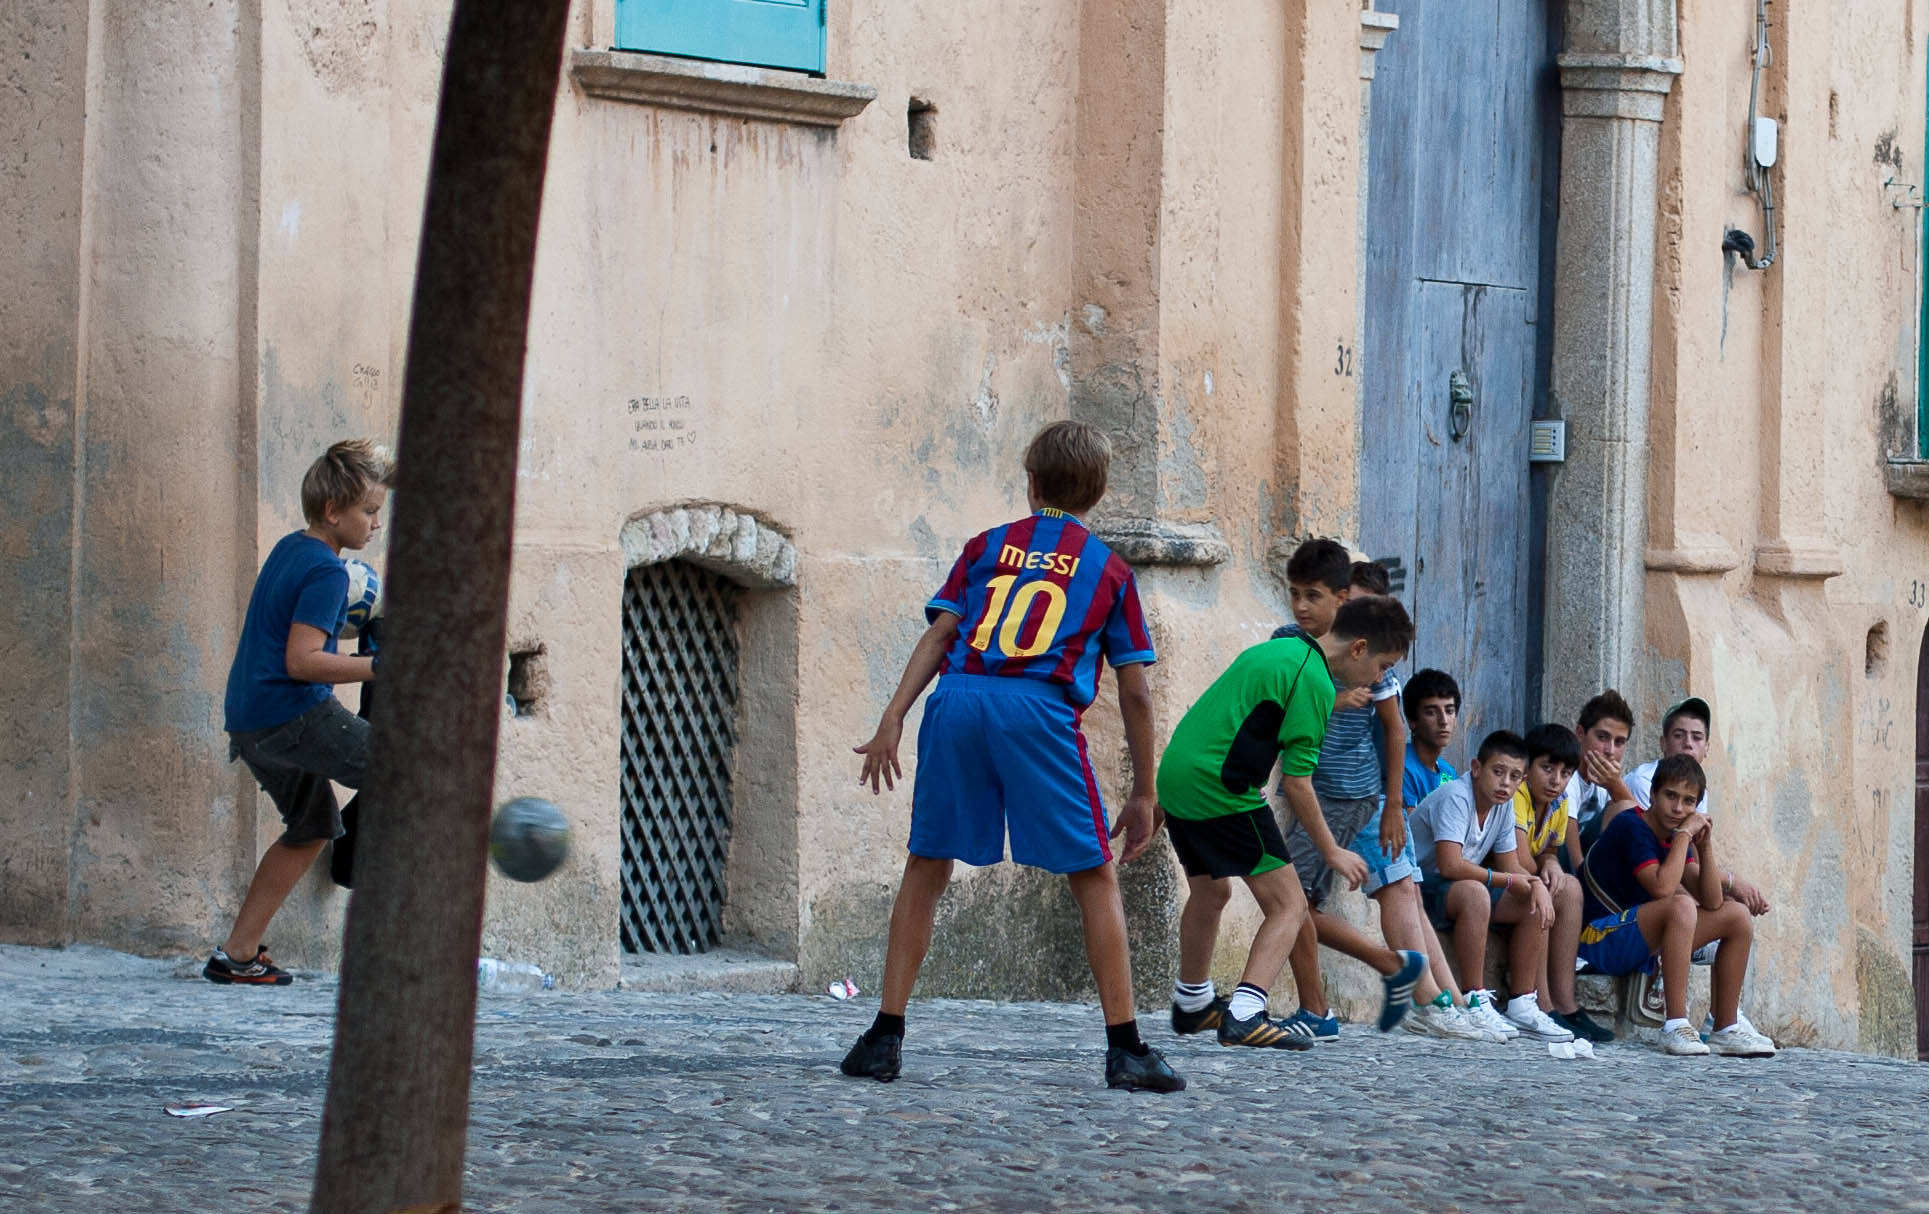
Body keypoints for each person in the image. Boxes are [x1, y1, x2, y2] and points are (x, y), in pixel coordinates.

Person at [845, 421, 1183, 1092]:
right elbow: (1136, 693)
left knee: (926, 861)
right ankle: (1126, 1048)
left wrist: (891, 718)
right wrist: (1144, 790)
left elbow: (942, 634)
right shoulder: (1108, 570)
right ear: (1100, 491)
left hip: (958, 699)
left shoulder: (984, 547)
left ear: (1029, 482)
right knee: (1092, 872)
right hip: (1036, 707)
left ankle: (882, 1036)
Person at [1158, 594, 1424, 1047]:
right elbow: (1299, 783)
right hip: (1220, 788)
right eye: (1383, 665)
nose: (1381, 677)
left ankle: (1193, 1002)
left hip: (1177, 778)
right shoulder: (1316, 682)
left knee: (1211, 889)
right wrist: (1332, 850)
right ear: (1359, 648)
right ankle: (1245, 1012)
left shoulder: (1279, 649)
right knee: (1291, 904)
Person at [207, 439, 393, 985]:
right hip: (293, 715)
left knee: (311, 826)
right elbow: (303, 660)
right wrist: (380, 667)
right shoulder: (329, 574)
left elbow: (294, 638)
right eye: (369, 512)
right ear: (334, 512)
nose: (376, 524)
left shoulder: (294, 549)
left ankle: (236, 956)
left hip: (250, 719)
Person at [1267, 545, 1430, 1042]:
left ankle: (1324, 1005)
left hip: (1345, 791)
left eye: (1313, 595)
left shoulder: (1367, 655)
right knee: (1294, 902)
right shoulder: (1290, 642)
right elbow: (1288, 705)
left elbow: (1396, 731)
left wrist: (1392, 807)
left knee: (1290, 899)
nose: (1302, 605)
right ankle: (1378, 971)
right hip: (1306, 788)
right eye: (1296, 594)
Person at [1577, 755, 1777, 1057]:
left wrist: (1704, 846)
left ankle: (1725, 1027)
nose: (1678, 808)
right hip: (1598, 938)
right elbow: (1662, 887)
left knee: (1737, 916)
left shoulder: (1673, 837)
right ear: (1654, 794)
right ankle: (1676, 1025)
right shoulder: (1634, 826)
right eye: (1671, 796)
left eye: (1688, 801)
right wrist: (1685, 834)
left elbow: (1711, 901)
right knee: (1681, 905)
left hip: (1637, 938)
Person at [1410, 731, 1574, 1042]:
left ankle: (1523, 1003)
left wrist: (1534, 885)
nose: (1505, 783)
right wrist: (1513, 880)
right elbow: (1449, 865)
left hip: (1454, 888)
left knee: (1531, 900)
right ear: (1476, 767)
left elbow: (1510, 864)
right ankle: (1475, 998)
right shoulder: (1458, 796)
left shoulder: (1503, 805)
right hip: (1420, 886)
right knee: (1476, 892)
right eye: (1497, 772)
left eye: (1514, 777)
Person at [1512, 724, 1613, 1043]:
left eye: (1565, 772)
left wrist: (1552, 863)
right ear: (1527, 767)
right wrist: (1544, 868)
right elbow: (1517, 853)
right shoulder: (1517, 795)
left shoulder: (1558, 802)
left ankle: (1565, 1003)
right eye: (1547, 768)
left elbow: (1549, 849)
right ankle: (1541, 1002)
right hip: (1501, 879)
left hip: (1528, 877)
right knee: (1549, 892)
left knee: (1569, 887)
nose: (1556, 779)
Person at [1560, 691, 1638, 868]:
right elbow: (1568, 840)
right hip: (1559, 860)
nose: (1610, 750)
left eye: (1619, 742)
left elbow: (1641, 828)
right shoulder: (1564, 775)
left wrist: (1616, 786)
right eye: (1602, 737)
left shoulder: (1606, 781)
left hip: (1591, 860)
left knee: (1623, 808)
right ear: (1580, 733)